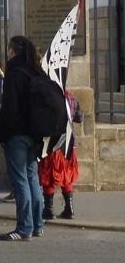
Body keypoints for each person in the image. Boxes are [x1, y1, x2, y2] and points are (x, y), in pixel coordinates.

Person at [0, 35, 45, 241]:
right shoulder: (36, 71)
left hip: (17, 135)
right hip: (35, 134)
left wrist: (2, 133)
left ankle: (24, 227)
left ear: (12, 50)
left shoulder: (14, 73)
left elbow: (10, 109)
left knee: (20, 181)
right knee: (33, 178)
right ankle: (37, 224)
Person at [40, 88, 83, 220]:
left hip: (52, 143)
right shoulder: (70, 97)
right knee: (67, 175)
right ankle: (69, 209)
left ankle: (48, 210)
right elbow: (79, 118)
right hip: (69, 143)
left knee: (48, 176)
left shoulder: (45, 97)